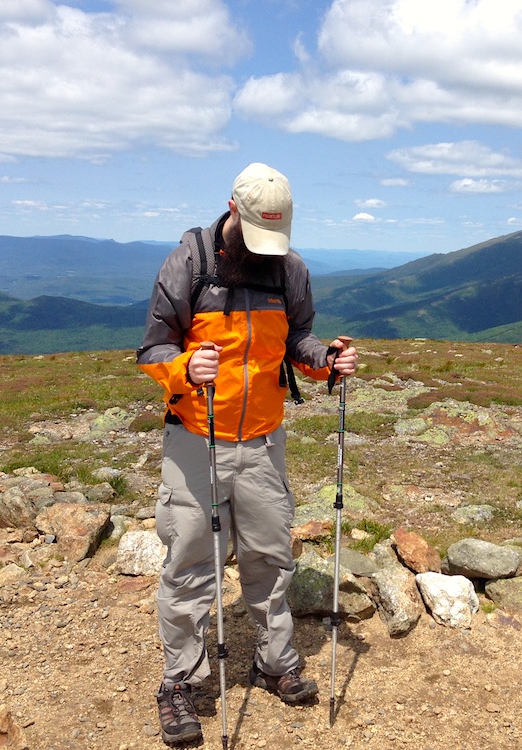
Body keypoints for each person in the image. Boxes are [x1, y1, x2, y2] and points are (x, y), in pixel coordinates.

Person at [136, 162, 358, 745]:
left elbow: (299, 338)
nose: (266, 250)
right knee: (189, 562)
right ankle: (179, 682)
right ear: (233, 210)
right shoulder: (190, 262)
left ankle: (274, 661)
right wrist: (186, 368)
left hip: (262, 441)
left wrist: (325, 361)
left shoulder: (290, 270)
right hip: (195, 438)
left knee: (269, 556)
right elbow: (153, 347)